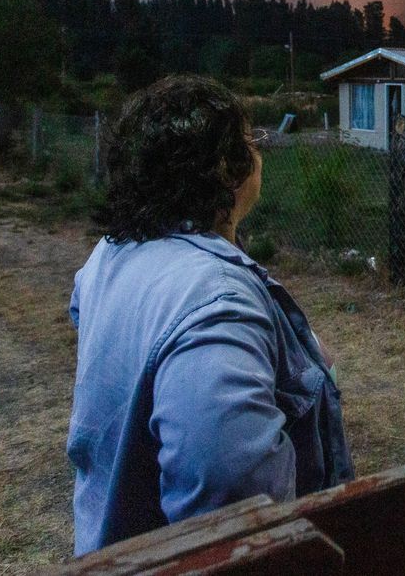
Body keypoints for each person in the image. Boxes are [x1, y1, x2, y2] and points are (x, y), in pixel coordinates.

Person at [66, 75, 352, 555]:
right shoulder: (218, 303)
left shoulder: (111, 254)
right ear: (226, 167)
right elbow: (233, 499)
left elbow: (93, 314)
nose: (259, 152)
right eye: (249, 141)